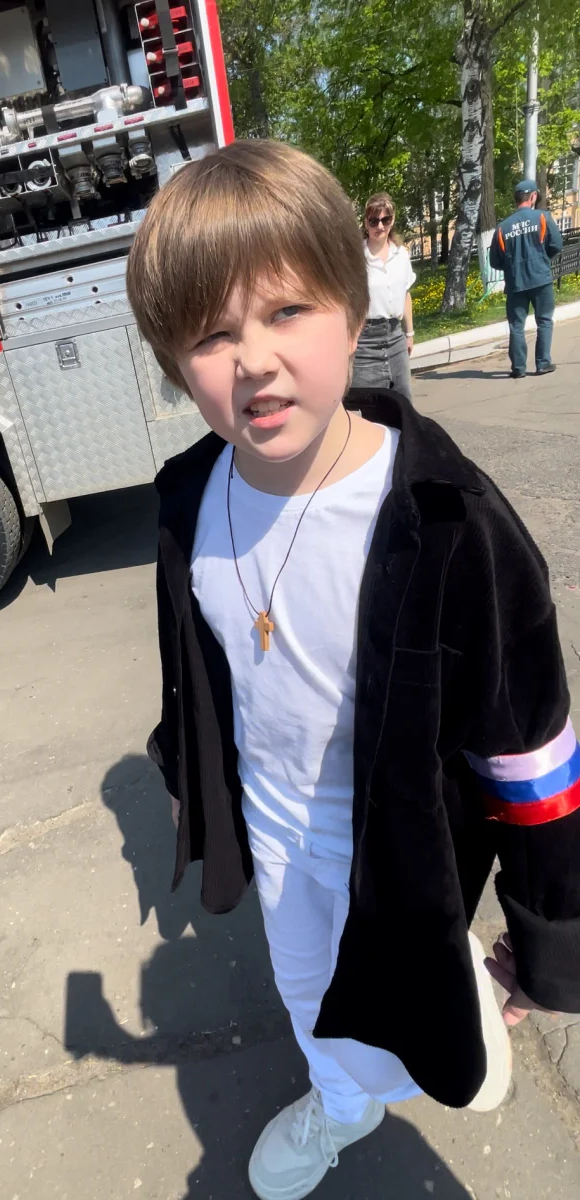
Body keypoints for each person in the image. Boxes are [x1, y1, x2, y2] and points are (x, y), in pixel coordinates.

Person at [127, 140, 580, 1200]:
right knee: (307, 993)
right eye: (211, 334)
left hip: (402, 849)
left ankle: (451, 1010)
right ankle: (340, 1103)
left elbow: (529, 751)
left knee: (417, 1007)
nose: (253, 359)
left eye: (286, 310)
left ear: (351, 306)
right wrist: (186, 772)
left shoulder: (447, 520)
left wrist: (545, 936)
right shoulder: (187, 501)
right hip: (275, 830)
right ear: (174, 364)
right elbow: (195, 666)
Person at [490, 179, 563, 378]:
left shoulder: (502, 228)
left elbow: (495, 261)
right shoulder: (543, 217)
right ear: (533, 197)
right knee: (544, 320)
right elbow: (556, 245)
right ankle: (543, 364)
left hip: (516, 283)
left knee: (516, 326)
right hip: (541, 280)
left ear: (516, 199)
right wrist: (541, 260)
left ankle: (518, 368)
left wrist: (512, 267)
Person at [351, 192, 416, 401]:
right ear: (365, 223)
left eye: (385, 220)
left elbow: (405, 295)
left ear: (392, 220)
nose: (380, 226)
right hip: (365, 343)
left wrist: (409, 334)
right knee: (368, 406)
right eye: (374, 221)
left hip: (396, 337)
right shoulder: (357, 259)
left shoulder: (401, 255)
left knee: (403, 403)